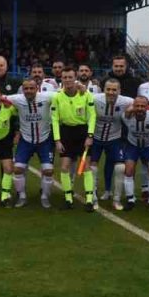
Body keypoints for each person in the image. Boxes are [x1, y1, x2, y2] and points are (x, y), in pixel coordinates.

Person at [51, 69, 97, 211]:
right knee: (64, 167)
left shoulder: (86, 94)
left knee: (86, 167)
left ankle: (89, 199)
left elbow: (92, 116)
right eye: (65, 77)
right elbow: (54, 119)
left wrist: (90, 135)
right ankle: (68, 198)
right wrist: (57, 140)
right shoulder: (57, 97)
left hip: (82, 132)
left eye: (70, 77)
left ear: (75, 78)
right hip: (66, 133)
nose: (68, 80)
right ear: (61, 79)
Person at [7, 79, 56, 208]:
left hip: (44, 140)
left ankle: (45, 197)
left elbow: (65, 94)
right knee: (17, 169)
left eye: (31, 88)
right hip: (26, 140)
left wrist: (80, 88)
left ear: (37, 88)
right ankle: (22, 196)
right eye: (26, 88)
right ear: (22, 89)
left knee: (48, 171)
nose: (28, 91)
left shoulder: (47, 97)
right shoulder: (17, 99)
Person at [91, 79, 133, 208]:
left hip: (114, 139)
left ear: (119, 91)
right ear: (103, 89)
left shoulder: (125, 101)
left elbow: (139, 102)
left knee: (120, 168)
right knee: (92, 167)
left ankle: (116, 199)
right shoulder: (95, 99)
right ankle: (92, 197)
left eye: (114, 90)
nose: (111, 92)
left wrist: (131, 108)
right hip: (96, 138)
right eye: (108, 89)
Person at [120, 95, 149, 211]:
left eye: (143, 106)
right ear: (133, 106)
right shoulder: (126, 117)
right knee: (128, 170)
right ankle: (130, 199)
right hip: (132, 146)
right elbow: (125, 116)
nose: (139, 108)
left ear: (147, 107)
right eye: (137, 105)